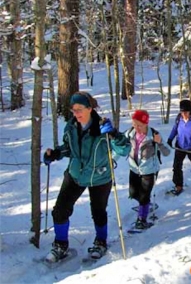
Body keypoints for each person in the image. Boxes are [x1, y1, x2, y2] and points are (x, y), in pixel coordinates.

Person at [42, 91, 131, 262]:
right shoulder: (71, 127)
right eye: (73, 110)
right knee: (60, 211)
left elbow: (124, 149)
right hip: (76, 173)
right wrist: (55, 154)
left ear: (90, 108)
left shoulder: (103, 127)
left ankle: (100, 242)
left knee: (98, 211)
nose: (76, 114)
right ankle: (61, 245)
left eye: (79, 109)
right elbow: (69, 148)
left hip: (100, 176)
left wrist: (113, 134)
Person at [125, 110, 170, 229]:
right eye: (134, 124)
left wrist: (159, 142)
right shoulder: (130, 133)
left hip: (149, 170)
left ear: (146, 124)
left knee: (144, 195)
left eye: (139, 125)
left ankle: (142, 219)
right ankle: (144, 204)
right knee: (133, 193)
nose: (136, 127)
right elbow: (120, 145)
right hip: (134, 169)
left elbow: (167, 152)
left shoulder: (154, 134)